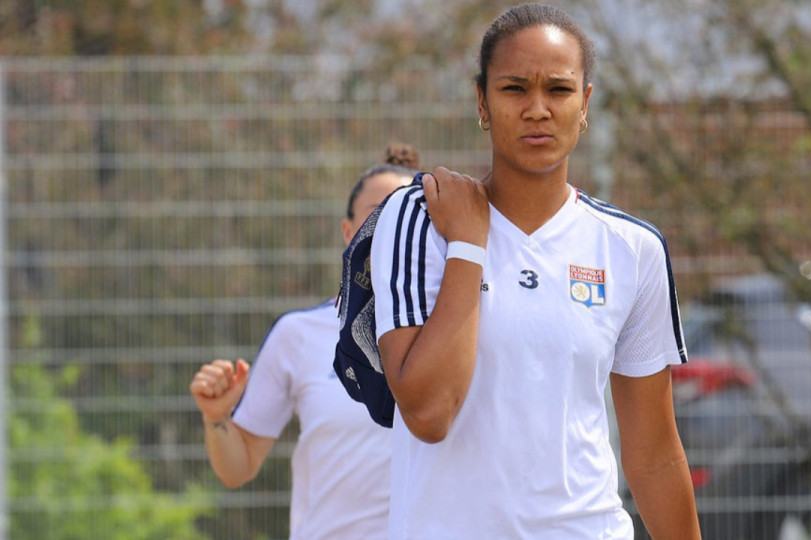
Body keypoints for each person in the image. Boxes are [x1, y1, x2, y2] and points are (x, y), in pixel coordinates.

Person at [369, 4, 701, 539]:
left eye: (560, 90)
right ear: (482, 100)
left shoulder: (632, 248)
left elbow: (655, 456)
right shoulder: (418, 219)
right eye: (515, 89)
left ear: (585, 103)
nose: (538, 109)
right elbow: (429, 413)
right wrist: (470, 246)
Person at [188, 144, 419, 540]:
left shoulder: (459, 333)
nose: (391, 228)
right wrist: (217, 418)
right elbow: (238, 467)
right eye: (377, 215)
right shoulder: (298, 335)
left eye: (406, 217)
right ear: (349, 233)